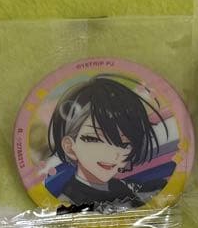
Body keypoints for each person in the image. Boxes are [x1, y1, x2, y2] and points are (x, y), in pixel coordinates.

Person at [46, 75, 168, 214]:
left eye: (124, 144)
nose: (112, 153)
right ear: (69, 147)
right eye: (95, 139)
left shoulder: (124, 188)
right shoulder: (68, 202)